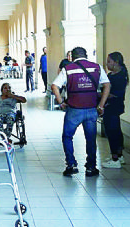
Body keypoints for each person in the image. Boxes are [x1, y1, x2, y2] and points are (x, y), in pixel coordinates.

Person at [51, 47, 110, 177]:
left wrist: (61, 102)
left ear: (72, 57)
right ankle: (91, 168)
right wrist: (101, 105)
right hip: (91, 109)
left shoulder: (68, 69)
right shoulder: (97, 67)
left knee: (67, 136)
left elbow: (54, 86)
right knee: (90, 139)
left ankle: (71, 165)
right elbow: (107, 85)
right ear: (86, 55)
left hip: (74, 110)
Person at [102, 52, 129, 168]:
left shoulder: (121, 76)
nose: (107, 64)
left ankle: (115, 159)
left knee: (112, 131)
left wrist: (102, 95)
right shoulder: (112, 74)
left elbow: (114, 93)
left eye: (109, 61)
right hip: (112, 106)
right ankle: (119, 155)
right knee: (116, 130)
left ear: (116, 62)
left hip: (113, 106)